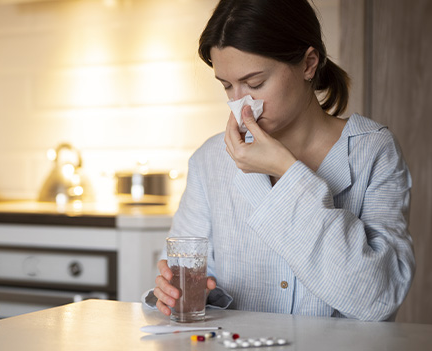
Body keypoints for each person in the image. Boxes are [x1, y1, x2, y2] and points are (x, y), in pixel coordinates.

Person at [143, 0, 415, 321]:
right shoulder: (210, 162)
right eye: (227, 86)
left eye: (255, 83)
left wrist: (287, 173)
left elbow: (378, 299)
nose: (240, 105)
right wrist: (184, 294)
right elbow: (186, 278)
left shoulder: (373, 151)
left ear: (308, 64)